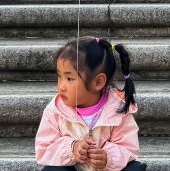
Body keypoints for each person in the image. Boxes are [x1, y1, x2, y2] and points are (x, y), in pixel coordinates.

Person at [35, 37, 144, 171]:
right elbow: (44, 148)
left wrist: (107, 157)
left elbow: (129, 148)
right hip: (73, 168)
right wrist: (72, 148)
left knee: (135, 168)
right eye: (59, 76)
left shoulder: (118, 110)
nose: (61, 86)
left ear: (98, 82)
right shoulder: (55, 110)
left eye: (69, 78)